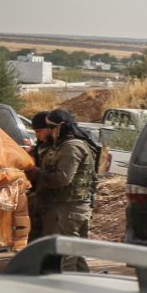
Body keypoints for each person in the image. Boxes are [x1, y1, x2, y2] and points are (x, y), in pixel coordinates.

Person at [27, 108, 98, 271]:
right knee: (74, 259)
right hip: (64, 210)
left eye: (52, 128)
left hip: (68, 211)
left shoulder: (72, 147)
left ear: (61, 127)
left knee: (64, 261)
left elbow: (62, 178)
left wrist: (37, 174)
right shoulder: (61, 146)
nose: (51, 132)